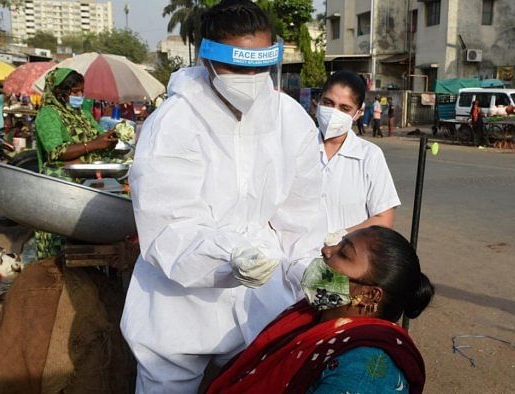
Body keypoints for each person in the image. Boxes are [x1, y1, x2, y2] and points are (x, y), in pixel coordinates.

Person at [120, 1, 326, 392]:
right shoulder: (174, 122)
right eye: (236, 67)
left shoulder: (290, 120)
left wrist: (308, 268)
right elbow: (169, 225)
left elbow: (302, 214)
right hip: (178, 302)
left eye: (258, 67)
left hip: (260, 297)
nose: (249, 78)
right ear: (207, 58)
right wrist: (227, 255)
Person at [207, 226, 434, 393]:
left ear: (368, 295)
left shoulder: (363, 371)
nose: (327, 249)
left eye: (344, 254)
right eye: (337, 243)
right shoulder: (310, 315)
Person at [34, 68, 118, 258]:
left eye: (82, 91)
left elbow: (98, 139)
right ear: (59, 92)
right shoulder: (48, 114)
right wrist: (93, 144)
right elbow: (56, 151)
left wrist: (109, 140)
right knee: (59, 245)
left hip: (88, 180)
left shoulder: (82, 114)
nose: (80, 96)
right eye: (75, 92)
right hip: (61, 186)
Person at [315, 71, 400, 247]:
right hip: (295, 262)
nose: (333, 113)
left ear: (358, 113)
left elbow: (384, 218)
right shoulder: (298, 147)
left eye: (344, 108)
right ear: (318, 100)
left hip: (347, 260)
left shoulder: (369, 156)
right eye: (328, 103)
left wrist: (341, 237)